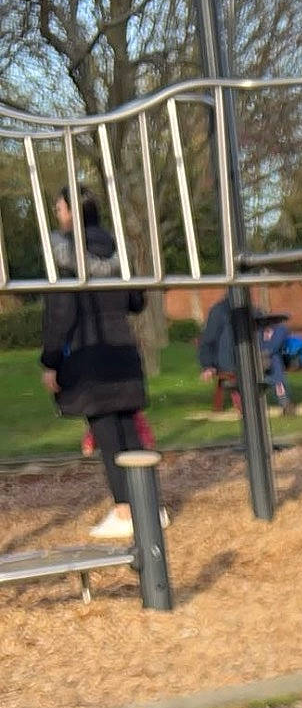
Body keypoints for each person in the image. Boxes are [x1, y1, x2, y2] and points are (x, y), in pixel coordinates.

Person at [40, 188, 152, 543]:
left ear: (73, 212)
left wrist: (51, 361)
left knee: (107, 434)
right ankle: (149, 506)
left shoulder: (66, 255)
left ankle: (125, 510)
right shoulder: (118, 250)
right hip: (122, 352)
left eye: (59, 208)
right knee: (129, 431)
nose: (57, 214)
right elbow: (136, 300)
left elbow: (62, 313)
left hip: (90, 356)